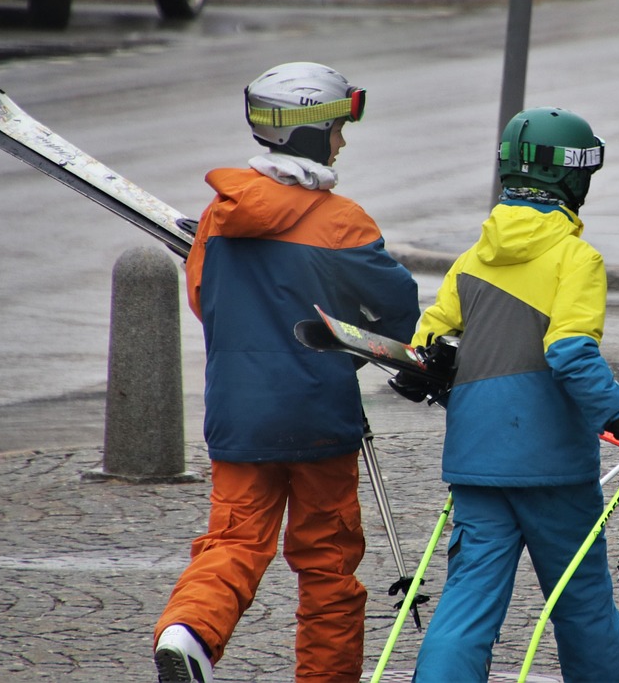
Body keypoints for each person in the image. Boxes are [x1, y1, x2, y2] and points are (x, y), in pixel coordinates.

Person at [153, 62, 420, 683]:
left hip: (238, 416)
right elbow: (397, 310)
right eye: (335, 129)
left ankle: (186, 632)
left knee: (233, 544)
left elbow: (203, 299)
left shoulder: (218, 217)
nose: (342, 142)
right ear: (308, 133)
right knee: (328, 566)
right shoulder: (342, 222)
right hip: (318, 416)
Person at [390, 107, 619, 682]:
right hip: (553, 470)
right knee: (581, 601)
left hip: (477, 463)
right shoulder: (576, 258)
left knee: (468, 605)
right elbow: (569, 352)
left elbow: (426, 345)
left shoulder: (472, 259)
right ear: (574, 178)